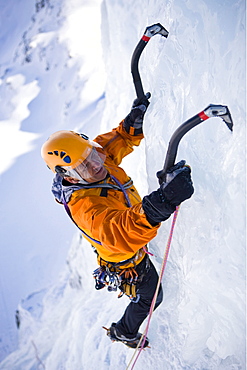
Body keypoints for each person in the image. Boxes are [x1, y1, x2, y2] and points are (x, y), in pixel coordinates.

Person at [41, 96, 194, 348]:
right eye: (84, 167)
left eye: (93, 154)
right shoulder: (85, 206)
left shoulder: (92, 158)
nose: (97, 165)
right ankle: (123, 331)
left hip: (131, 233)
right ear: (68, 176)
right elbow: (120, 233)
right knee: (151, 298)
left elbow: (115, 142)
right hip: (124, 258)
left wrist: (131, 125)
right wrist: (162, 202)